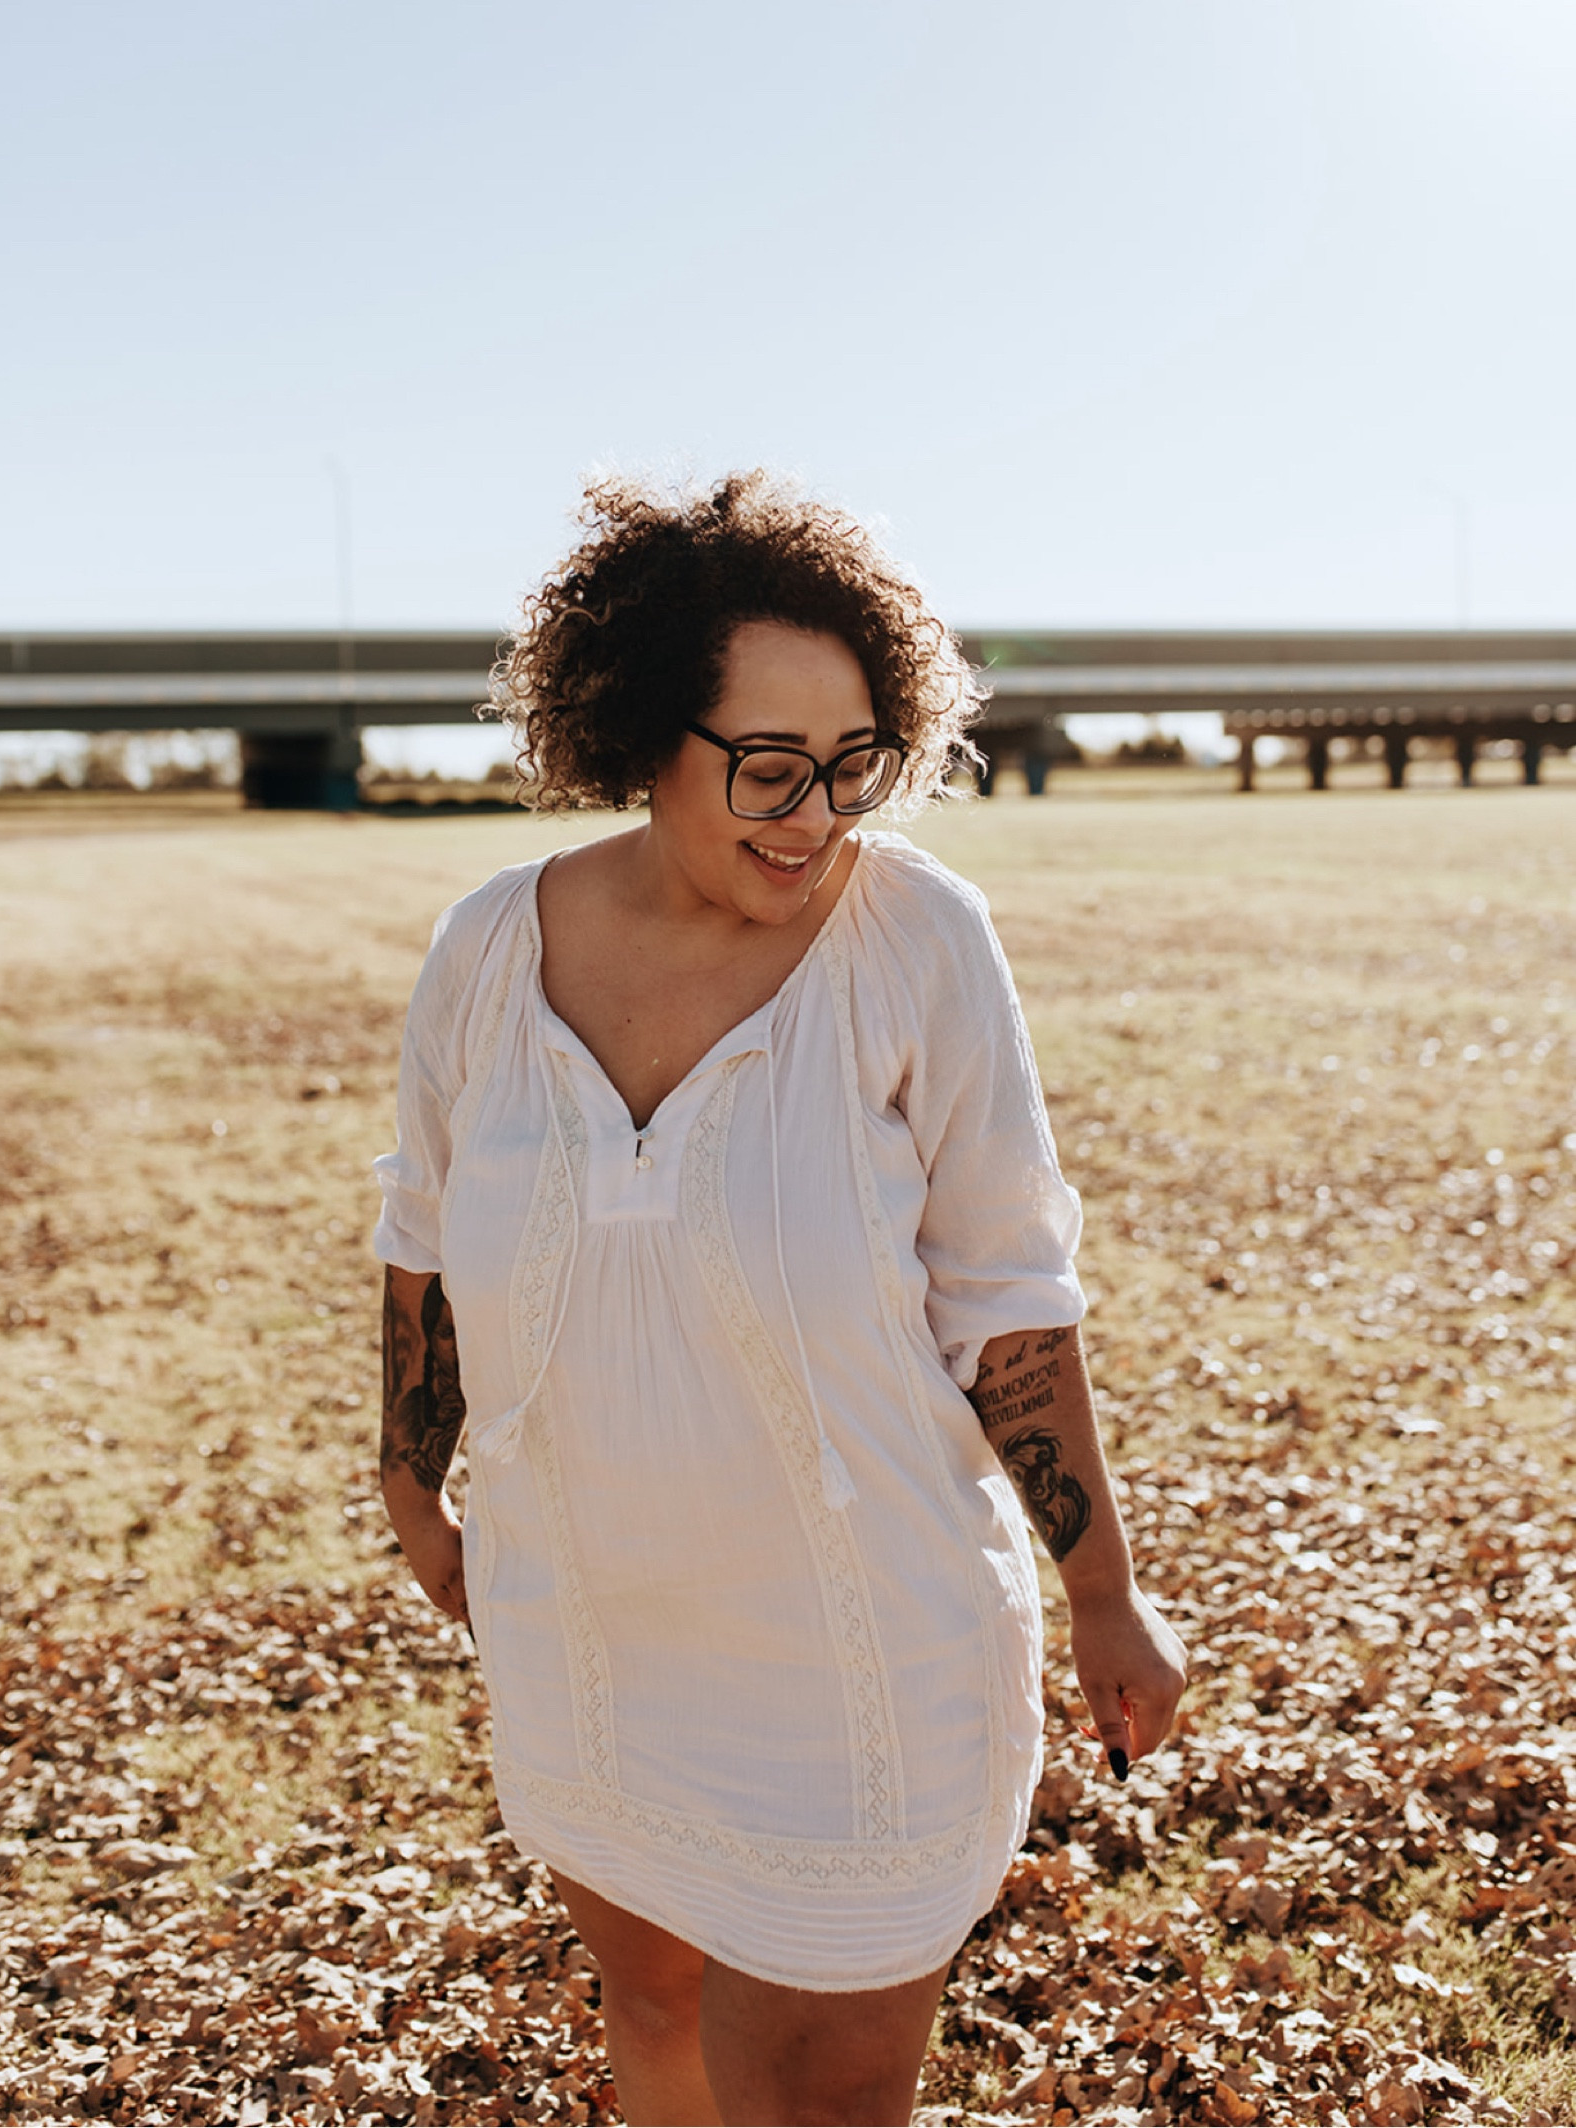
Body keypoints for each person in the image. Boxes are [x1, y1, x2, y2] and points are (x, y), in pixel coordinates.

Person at [373, 472, 1187, 2127]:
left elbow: (1008, 1298)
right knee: (655, 2009)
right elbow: (424, 1239)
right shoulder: (485, 953)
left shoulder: (916, 942)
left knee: (815, 2098)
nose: (815, 815)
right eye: (766, 764)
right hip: (588, 1626)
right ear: (639, 732)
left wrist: (1105, 1590)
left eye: (857, 765)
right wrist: (411, 1479)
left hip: (855, 1651)